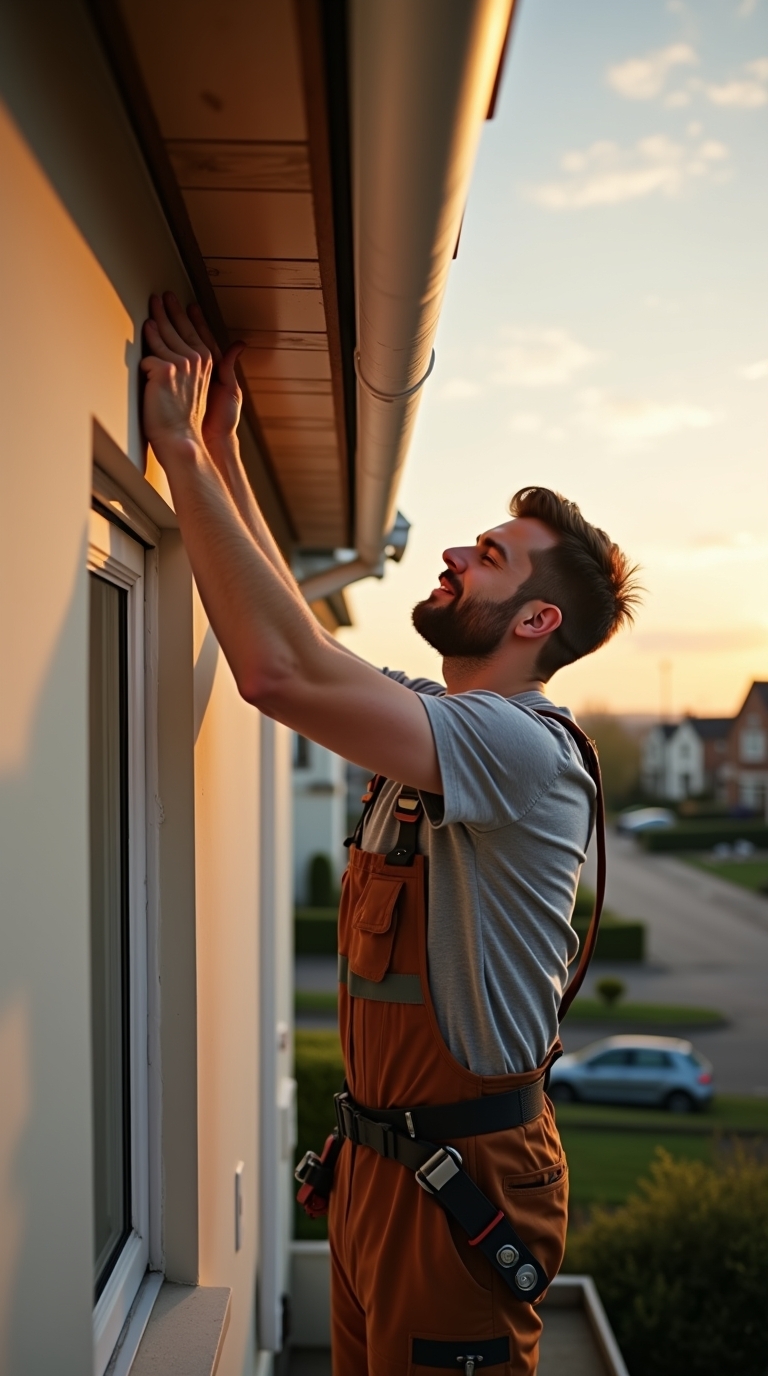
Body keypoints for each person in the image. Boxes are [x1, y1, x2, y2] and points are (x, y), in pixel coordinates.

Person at [141, 292, 640, 1376]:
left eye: (494, 555)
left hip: (458, 1181)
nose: (456, 548)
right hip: (382, 1167)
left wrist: (177, 448)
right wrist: (222, 455)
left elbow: (278, 671)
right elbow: (302, 638)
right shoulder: (441, 731)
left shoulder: (520, 748)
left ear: (536, 620)